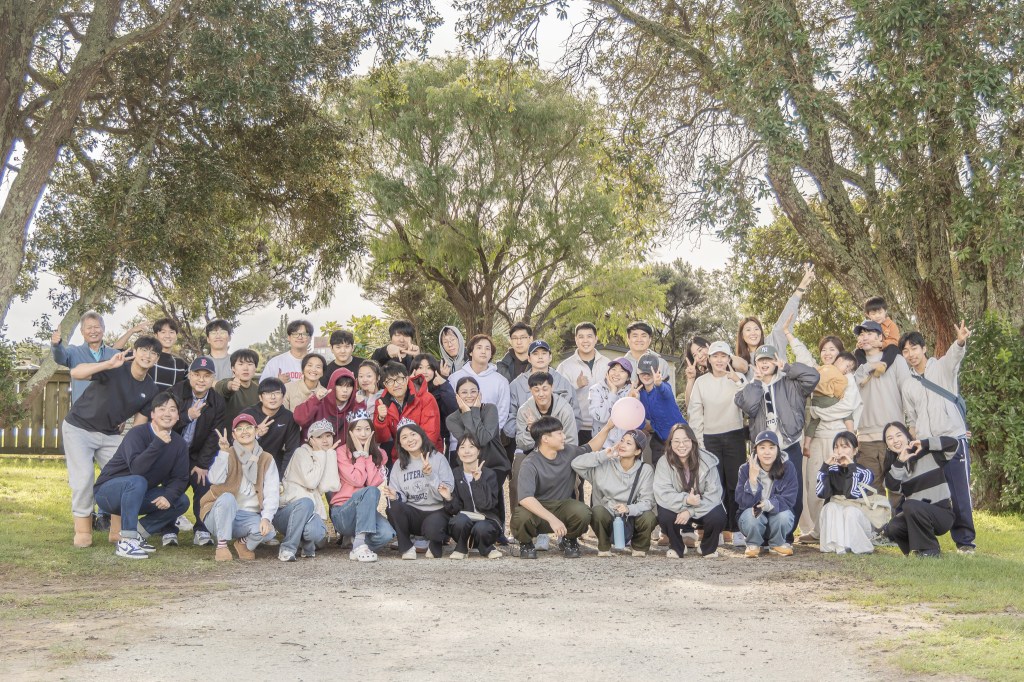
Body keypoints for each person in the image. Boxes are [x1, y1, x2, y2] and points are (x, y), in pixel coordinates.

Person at [62, 336, 161, 547]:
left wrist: (131, 449)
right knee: (84, 478)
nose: (147, 355)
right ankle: (83, 530)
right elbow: (76, 373)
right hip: (79, 428)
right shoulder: (115, 367)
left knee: (124, 477)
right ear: (135, 351)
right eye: (144, 350)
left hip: (111, 434)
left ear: (157, 359)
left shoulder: (151, 389)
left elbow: (139, 426)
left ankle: (118, 531)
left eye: (153, 353)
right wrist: (107, 364)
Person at [899, 322, 975, 553]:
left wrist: (960, 341)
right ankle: (927, 539)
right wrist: (915, 446)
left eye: (914, 348)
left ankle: (965, 542)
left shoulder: (942, 368)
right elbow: (912, 420)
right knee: (930, 493)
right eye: (905, 351)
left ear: (924, 348)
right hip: (927, 446)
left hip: (952, 440)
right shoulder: (907, 385)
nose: (911, 354)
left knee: (959, 492)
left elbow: (954, 356)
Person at [785, 327, 864, 545]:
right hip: (815, 437)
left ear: (840, 354)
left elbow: (847, 408)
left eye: (832, 349)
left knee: (838, 482)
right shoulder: (817, 372)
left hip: (837, 437)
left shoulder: (847, 378)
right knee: (814, 484)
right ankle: (817, 530)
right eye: (824, 350)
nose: (828, 353)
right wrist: (789, 335)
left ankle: (837, 531)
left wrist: (819, 412)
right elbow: (803, 357)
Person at [735, 344, 819, 542]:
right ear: (755, 364)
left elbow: (813, 377)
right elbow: (748, 406)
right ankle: (762, 535)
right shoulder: (751, 387)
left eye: (769, 360)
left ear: (776, 361)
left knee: (792, 492)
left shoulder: (791, 382)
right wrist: (756, 382)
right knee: (761, 490)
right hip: (763, 449)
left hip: (789, 444)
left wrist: (787, 367)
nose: (765, 364)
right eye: (760, 360)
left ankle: (785, 536)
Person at [93, 392, 190, 559]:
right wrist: (158, 443)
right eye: (162, 409)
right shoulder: (137, 434)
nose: (167, 413)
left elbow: (180, 478)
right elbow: (137, 469)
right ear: (152, 414)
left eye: (172, 409)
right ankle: (126, 541)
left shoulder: (179, 443)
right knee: (137, 481)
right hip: (108, 493)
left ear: (178, 416)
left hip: (139, 493)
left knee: (180, 500)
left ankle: (137, 534)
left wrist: (168, 496)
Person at [511, 418, 615, 559]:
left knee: (583, 512)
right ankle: (526, 543)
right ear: (545, 439)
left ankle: (569, 540)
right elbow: (525, 499)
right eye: (559, 433)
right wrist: (552, 519)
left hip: (562, 506)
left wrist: (608, 427)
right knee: (521, 517)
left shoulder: (569, 451)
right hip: (538, 509)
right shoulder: (529, 463)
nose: (564, 437)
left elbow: (591, 447)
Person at [687, 341, 746, 546]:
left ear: (729, 358)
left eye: (723, 356)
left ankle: (737, 529)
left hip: (735, 435)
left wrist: (738, 381)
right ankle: (717, 529)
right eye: (715, 356)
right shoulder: (701, 382)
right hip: (710, 438)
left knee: (735, 484)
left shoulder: (738, 379)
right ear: (709, 359)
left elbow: (749, 400)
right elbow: (695, 413)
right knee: (714, 485)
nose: (719, 360)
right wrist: (700, 442)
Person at [199, 414, 279, 561]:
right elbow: (214, 479)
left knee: (269, 532)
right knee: (227, 498)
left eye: (248, 427)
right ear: (234, 435)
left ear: (256, 431)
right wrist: (223, 453)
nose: (245, 431)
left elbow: (272, 492)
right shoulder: (228, 453)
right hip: (219, 512)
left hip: (247, 515)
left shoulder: (266, 458)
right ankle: (222, 545)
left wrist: (266, 518)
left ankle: (242, 543)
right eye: (240, 429)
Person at [169, 356, 226, 547]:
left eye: (206, 376)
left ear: (213, 379)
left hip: (197, 454)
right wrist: (187, 416)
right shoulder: (176, 392)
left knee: (203, 484)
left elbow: (214, 435)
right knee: (173, 488)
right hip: (172, 452)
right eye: (197, 374)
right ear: (190, 375)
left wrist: (202, 464)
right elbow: (164, 422)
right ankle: (169, 529)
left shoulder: (217, 401)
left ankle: (202, 529)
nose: (201, 380)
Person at [572, 429, 657, 557]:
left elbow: (648, 501)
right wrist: (604, 455)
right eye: (622, 440)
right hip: (608, 514)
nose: (622, 445)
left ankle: (639, 546)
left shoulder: (645, 470)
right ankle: (604, 546)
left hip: (631, 517)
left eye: (629, 443)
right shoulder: (605, 464)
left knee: (648, 517)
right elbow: (576, 464)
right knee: (597, 511)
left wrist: (629, 508)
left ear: (637, 451)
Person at [882, 422, 959, 557]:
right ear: (887, 445)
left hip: (942, 514)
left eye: (899, 435)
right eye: (890, 438)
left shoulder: (929, 455)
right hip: (916, 515)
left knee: (909, 505)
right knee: (894, 526)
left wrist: (925, 443)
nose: (895, 440)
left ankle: (931, 550)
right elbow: (892, 486)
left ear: (907, 437)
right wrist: (900, 461)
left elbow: (953, 443)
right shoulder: (897, 466)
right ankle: (917, 551)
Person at [852, 320, 913, 490]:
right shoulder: (854, 364)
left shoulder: (897, 360)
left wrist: (912, 426)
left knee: (899, 490)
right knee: (870, 493)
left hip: (894, 438)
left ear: (880, 338)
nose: (865, 337)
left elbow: (908, 394)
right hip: (865, 440)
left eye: (870, 333)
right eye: (862, 334)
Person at [382, 419, 455, 559]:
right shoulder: (399, 464)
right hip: (413, 513)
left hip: (436, 510)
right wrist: (395, 496)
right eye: (404, 437)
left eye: (413, 434)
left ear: (421, 435)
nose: (410, 439)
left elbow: (447, 492)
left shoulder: (438, 458)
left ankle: (435, 542)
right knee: (393, 508)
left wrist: (430, 475)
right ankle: (406, 547)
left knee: (433, 533)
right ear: (400, 444)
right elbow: (401, 496)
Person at [330, 409, 396, 563]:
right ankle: (360, 544)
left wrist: (367, 456)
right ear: (351, 432)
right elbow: (358, 481)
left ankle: (357, 542)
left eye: (367, 429)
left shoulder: (380, 454)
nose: (363, 433)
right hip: (343, 511)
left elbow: (373, 483)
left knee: (387, 534)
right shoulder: (341, 452)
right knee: (369, 491)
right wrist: (360, 455)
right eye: (358, 429)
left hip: (366, 513)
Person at [446, 377, 511, 528]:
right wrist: (467, 413)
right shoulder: (452, 419)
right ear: (457, 396)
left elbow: (482, 439)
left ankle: (497, 529)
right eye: (464, 392)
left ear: (479, 393)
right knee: (472, 496)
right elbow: (471, 442)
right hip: (469, 463)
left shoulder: (490, 409)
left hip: (495, 462)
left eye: (473, 391)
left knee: (492, 497)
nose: (469, 395)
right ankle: (473, 531)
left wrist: (473, 412)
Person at [654, 423, 728, 558]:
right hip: (677, 508)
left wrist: (690, 511)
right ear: (670, 443)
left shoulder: (707, 461)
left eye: (685, 440)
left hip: (701, 507)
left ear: (693, 441)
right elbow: (663, 493)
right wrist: (686, 500)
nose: (681, 445)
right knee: (664, 515)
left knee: (718, 515)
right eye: (676, 441)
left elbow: (714, 495)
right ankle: (677, 547)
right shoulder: (663, 462)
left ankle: (707, 548)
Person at [274, 419, 341, 561]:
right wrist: (321, 455)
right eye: (319, 437)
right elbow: (311, 482)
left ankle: (306, 545)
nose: (325, 440)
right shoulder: (301, 452)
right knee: (306, 502)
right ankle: (287, 548)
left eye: (328, 436)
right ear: (310, 439)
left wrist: (329, 455)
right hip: (288, 511)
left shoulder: (326, 454)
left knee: (316, 534)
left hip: (310, 513)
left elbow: (330, 485)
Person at [733, 264, 816, 378]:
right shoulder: (742, 362)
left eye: (756, 329)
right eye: (748, 330)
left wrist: (802, 286)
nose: (753, 333)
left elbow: (785, 318)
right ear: (742, 336)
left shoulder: (773, 342)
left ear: (761, 332)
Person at [736, 431, 799, 558]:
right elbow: (742, 503)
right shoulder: (745, 469)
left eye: (771, 447)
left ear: (777, 450)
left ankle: (777, 543)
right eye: (762, 448)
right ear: (755, 450)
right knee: (751, 515)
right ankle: (753, 544)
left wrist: (768, 504)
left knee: (784, 516)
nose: (767, 452)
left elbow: (790, 499)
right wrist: (752, 480)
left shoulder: (788, 467)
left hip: (776, 519)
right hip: (754, 521)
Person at [51, 311, 133, 403]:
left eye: (97, 327)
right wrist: (56, 345)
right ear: (82, 331)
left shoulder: (114, 354)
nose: (93, 331)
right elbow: (60, 358)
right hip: (82, 410)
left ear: (103, 328)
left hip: (109, 409)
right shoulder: (74, 352)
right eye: (89, 328)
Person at [445, 434, 504, 559]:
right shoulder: (454, 474)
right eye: (462, 447)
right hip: (464, 522)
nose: (466, 451)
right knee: (459, 521)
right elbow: (454, 510)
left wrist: (478, 481)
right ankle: (461, 547)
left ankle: (487, 548)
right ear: (458, 452)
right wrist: (449, 498)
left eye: (471, 447)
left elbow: (486, 505)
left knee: (481, 528)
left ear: (478, 451)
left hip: (486, 520)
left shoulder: (489, 474)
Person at [816, 431, 875, 555]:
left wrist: (851, 468)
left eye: (844, 447)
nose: (839, 451)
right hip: (836, 515)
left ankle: (859, 546)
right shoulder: (831, 470)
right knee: (830, 506)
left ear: (855, 450)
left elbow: (852, 494)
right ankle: (833, 545)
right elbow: (821, 493)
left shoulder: (865, 472)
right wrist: (824, 467)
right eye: (836, 447)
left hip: (857, 515)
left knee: (849, 511)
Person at [506, 340, 580, 438]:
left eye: (544, 353)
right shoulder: (516, 385)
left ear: (550, 357)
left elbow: (575, 416)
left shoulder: (563, 383)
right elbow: (510, 420)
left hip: (558, 441)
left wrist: (559, 437)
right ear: (529, 358)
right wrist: (528, 433)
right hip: (528, 442)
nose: (540, 357)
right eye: (535, 354)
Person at [555, 322, 610, 444]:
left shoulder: (607, 364)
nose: (585, 340)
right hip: (575, 427)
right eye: (581, 337)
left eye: (589, 336)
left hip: (603, 426)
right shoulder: (565, 366)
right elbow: (556, 397)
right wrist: (576, 385)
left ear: (596, 339)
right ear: (576, 339)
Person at [373, 361, 442, 458]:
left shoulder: (426, 399)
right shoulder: (381, 403)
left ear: (406, 379)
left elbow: (431, 433)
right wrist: (381, 419)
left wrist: (416, 457)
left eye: (399, 379)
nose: (396, 385)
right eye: (390, 381)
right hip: (401, 456)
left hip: (428, 453)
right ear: (385, 384)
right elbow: (382, 438)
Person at [447, 334, 512, 431]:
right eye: (479, 347)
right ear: (470, 352)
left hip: (489, 436)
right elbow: (450, 409)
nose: (483, 351)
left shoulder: (501, 381)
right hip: (460, 436)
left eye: (487, 348)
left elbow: (502, 412)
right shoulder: (454, 378)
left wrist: (489, 434)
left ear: (491, 354)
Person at [240, 378, 301, 476]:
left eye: (277, 393)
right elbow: (235, 444)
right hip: (247, 466)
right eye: (268, 393)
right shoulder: (248, 415)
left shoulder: (289, 417)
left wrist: (282, 477)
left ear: (283, 397)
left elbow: (291, 450)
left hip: (274, 467)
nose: (273, 397)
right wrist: (255, 435)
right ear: (260, 397)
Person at [636, 354, 685, 464]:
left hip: (679, 436)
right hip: (659, 439)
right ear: (638, 373)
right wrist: (633, 401)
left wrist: (659, 384)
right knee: (659, 469)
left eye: (650, 372)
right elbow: (641, 423)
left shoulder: (664, 387)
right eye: (643, 372)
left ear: (657, 372)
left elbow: (665, 392)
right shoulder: (640, 393)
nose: (646, 375)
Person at [293, 367, 358, 441]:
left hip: (342, 447)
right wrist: (315, 400)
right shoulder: (319, 401)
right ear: (333, 385)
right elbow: (299, 418)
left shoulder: (356, 405)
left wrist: (361, 404)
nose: (345, 390)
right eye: (340, 386)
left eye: (349, 386)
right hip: (312, 446)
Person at [412, 353, 459, 451]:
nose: (424, 371)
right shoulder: (407, 390)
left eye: (429, 368)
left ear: (434, 370)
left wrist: (444, 383)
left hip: (438, 443)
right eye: (420, 367)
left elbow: (453, 409)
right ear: (414, 370)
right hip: (411, 441)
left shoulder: (441, 390)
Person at [588, 357, 634, 446]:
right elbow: (602, 417)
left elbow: (630, 422)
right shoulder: (595, 390)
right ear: (607, 372)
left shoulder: (632, 393)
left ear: (628, 377)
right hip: (600, 446)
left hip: (623, 447)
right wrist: (613, 392)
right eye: (613, 369)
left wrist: (632, 400)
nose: (616, 374)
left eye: (622, 371)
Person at [620, 321, 674, 391]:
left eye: (643, 336)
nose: (639, 340)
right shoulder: (620, 364)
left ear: (650, 339)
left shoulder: (661, 363)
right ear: (628, 339)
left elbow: (669, 393)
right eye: (635, 336)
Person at [854, 297, 901, 374]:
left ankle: (882, 366)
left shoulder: (891, 325)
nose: (877, 316)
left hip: (887, 349)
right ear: (868, 315)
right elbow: (862, 338)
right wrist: (859, 345)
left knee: (893, 348)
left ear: (885, 311)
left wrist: (881, 344)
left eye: (880, 313)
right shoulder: (867, 325)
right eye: (873, 314)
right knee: (858, 351)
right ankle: (864, 370)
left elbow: (895, 341)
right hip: (873, 350)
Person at [214, 349, 261, 425]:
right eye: (241, 364)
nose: (245, 368)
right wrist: (230, 386)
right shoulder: (227, 382)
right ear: (233, 368)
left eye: (250, 364)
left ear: (255, 368)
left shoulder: (259, 390)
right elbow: (221, 387)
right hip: (228, 431)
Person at [150, 318, 190, 389]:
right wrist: (131, 331)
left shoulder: (181, 365)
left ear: (176, 336)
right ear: (156, 335)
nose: (168, 336)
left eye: (171, 332)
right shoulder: (145, 358)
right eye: (163, 332)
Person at [682, 336, 711, 405]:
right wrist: (691, 380)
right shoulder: (700, 379)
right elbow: (690, 406)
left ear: (708, 346)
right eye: (695, 355)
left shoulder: (727, 366)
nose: (700, 356)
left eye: (700, 350)